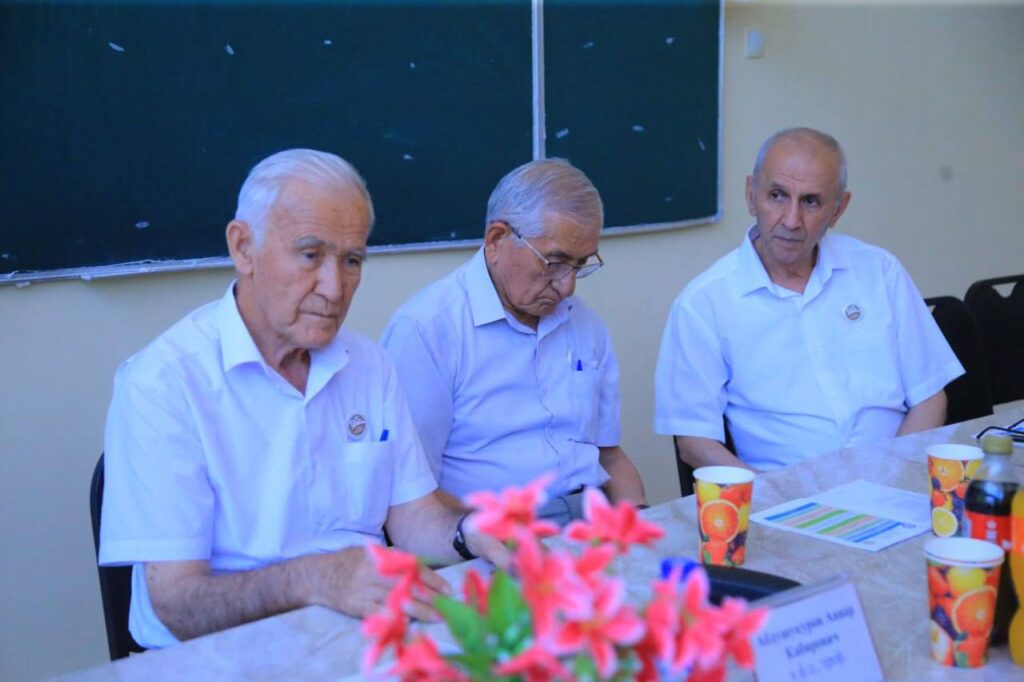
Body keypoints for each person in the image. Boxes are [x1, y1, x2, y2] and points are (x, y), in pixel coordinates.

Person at [99, 149, 509, 649]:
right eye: (310, 255)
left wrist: (470, 531)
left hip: (361, 637)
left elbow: (412, 516)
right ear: (243, 248)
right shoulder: (162, 383)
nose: (334, 289)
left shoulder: (369, 364)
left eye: (352, 260)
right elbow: (178, 606)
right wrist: (315, 579)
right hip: (218, 654)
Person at [654, 128, 963, 472]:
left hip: (897, 476)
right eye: (777, 196)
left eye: (811, 201)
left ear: (838, 209)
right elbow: (694, 443)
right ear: (751, 195)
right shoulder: (703, 303)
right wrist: (774, 494)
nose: (791, 220)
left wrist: (891, 474)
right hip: (786, 493)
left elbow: (929, 397)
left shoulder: (879, 271)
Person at [381, 159, 647, 524]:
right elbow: (411, 490)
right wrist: (499, 537)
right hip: (486, 530)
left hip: (592, 520)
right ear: (497, 240)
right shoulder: (427, 331)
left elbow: (610, 457)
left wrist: (640, 524)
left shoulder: (585, 324)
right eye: (554, 262)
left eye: (580, 264)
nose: (567, 286)